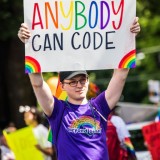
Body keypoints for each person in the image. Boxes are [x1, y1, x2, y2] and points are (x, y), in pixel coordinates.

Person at [17, 17, 140, 160]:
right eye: (73, 82)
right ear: (62, 86)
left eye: (82, 80)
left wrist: (129, 38)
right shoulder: (57, 110)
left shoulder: (99, 107)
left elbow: (120, 75)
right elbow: (37, 83)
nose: (79, 85)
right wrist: (29, 44)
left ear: (88, 81)